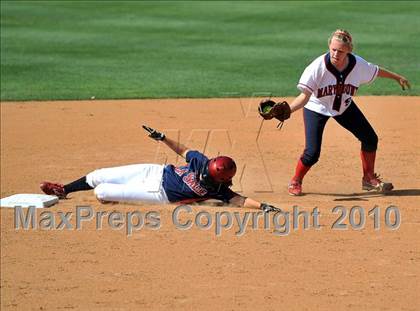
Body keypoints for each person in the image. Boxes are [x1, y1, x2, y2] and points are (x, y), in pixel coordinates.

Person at [279, 29, 410, 196]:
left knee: (370, 138)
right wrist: (287, 111)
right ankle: (296, 180)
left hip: (343, 107)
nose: (335, 53)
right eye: (333, 49)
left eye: (340, 51)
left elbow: (376, 71)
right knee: (312, 153)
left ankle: (368, 178)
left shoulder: (358, 65)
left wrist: (397, 77)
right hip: (316, 108)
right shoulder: (317, 67)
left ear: (349, 50)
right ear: (329, 46)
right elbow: (304, 97)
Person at [40, 125, 280, 213]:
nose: (204, 170)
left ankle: (116, 196)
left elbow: (239, 200)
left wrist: (263, 207)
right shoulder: (201, 162)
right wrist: (163, 138)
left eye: (209, 172)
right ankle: (65, 189)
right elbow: (183, 150)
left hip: (158, 195)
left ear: (219, 178)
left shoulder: (219, 191)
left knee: (101, 192)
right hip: (154, 172)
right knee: (97, 175)